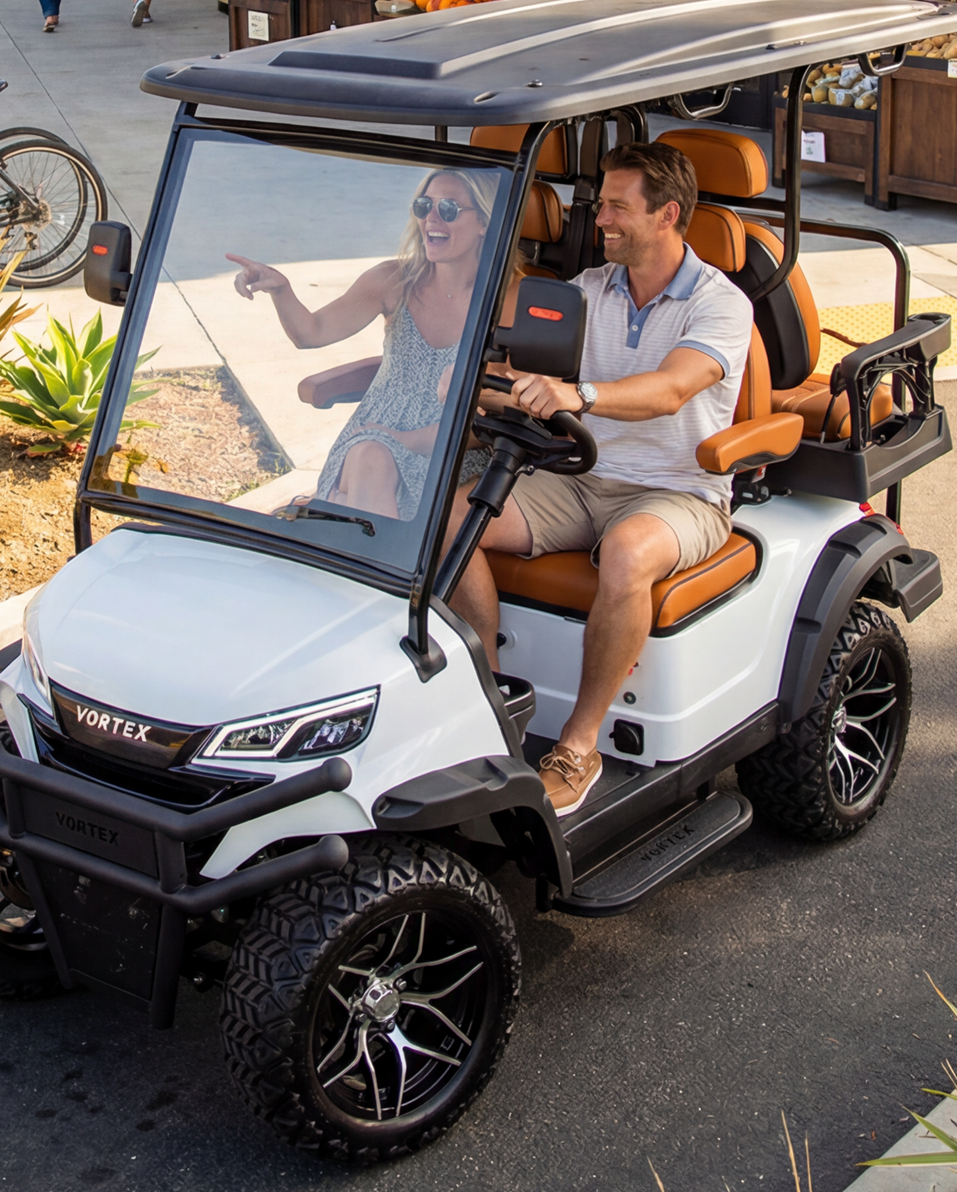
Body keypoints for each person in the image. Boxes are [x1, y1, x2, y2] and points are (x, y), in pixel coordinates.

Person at [445, 142, 754, 816]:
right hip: (583, 478)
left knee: (627, 551)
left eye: (617, 206)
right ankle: (490, 703)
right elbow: (524, 375)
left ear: (668, 214)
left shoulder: (720, 304)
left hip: (680, 492)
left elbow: (672, 390)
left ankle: (579, 747)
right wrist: (481, 388)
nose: (601, 218)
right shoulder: (587, 291)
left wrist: (576, 394)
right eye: (600, 203)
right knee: (447, 524)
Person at [227, 168, 508, 523]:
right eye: (424, 206)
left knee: (355, 490)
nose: (431, 219)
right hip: (370, 442)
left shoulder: (506, 301)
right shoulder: (393, 280)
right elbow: (310, 332)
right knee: (370, 457)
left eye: (449, 209)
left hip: (450, 449)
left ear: (483, 222)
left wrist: (402, 439)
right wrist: (281, 289)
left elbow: (496, 415)